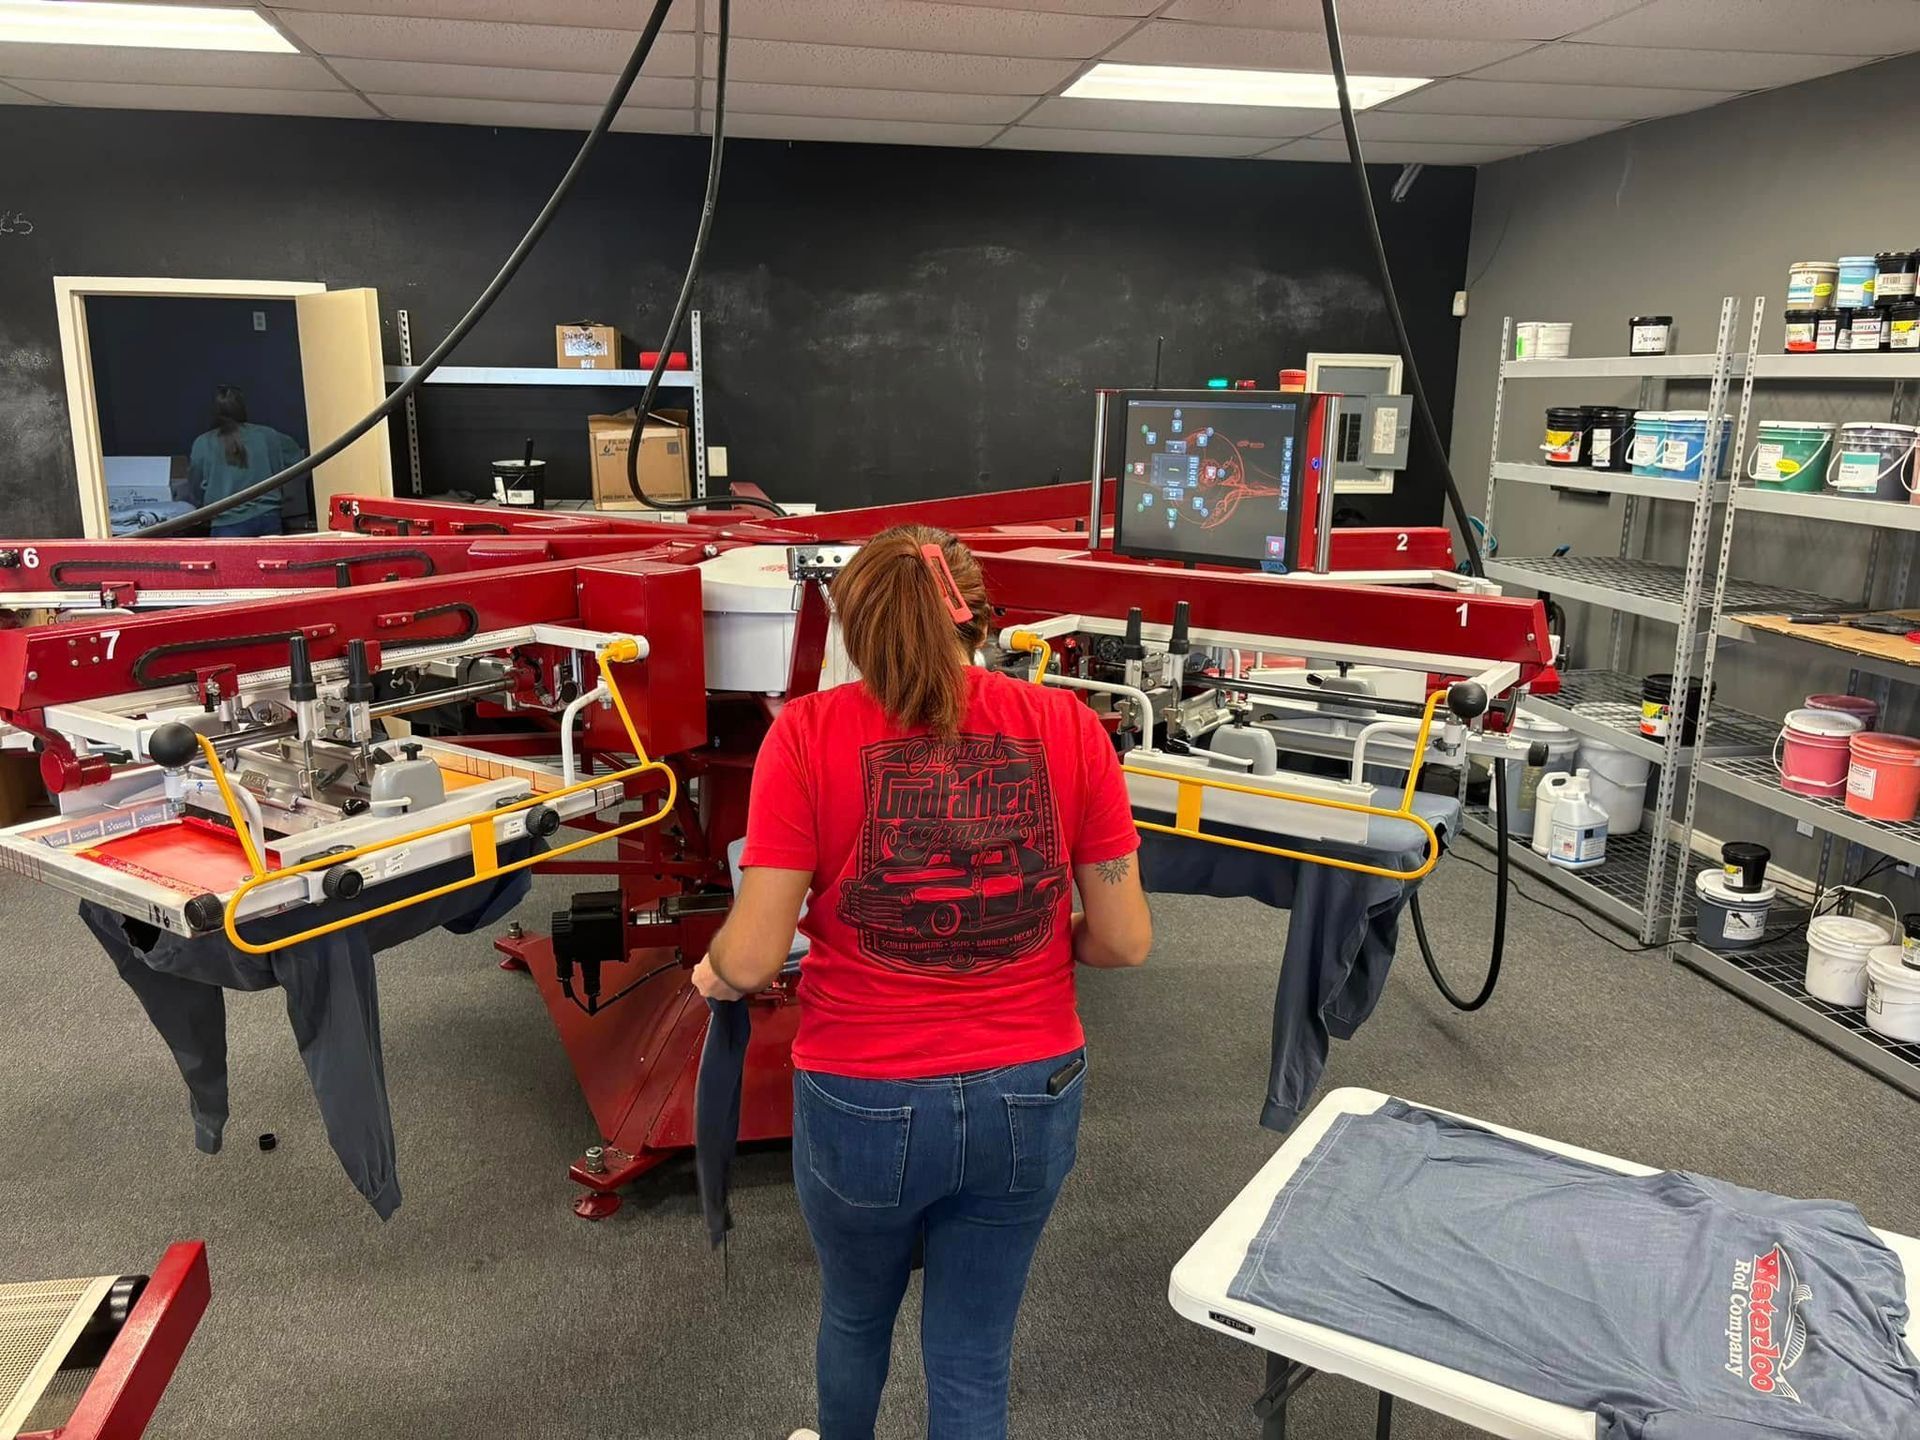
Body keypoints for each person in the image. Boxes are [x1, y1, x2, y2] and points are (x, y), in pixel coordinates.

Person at [692, 524, 1152, 1440]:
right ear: (981, 615)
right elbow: (1125, 941)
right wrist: (1026, 939)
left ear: (852, 629)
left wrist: (713, 968)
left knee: (856, 1316)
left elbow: (749, 960)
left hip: (865, 1095)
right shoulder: (1069, 727)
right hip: (1033, 1088)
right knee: (973, 1349)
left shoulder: (806, 735)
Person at [186, 385, 306, 537]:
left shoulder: (203, 443)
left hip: (226, 522)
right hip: (268, 516)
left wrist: (203, 508)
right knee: (270, 561)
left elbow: (195, 486)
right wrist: (287, 495)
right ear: (243, 408)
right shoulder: (268, 436)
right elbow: (301, 464)